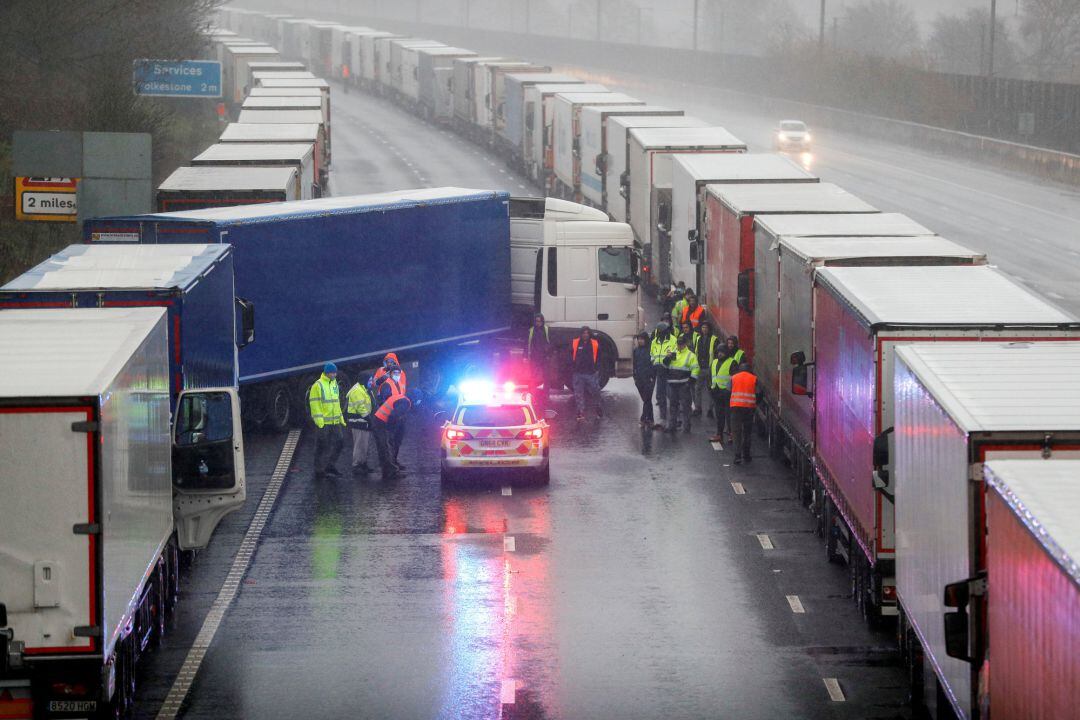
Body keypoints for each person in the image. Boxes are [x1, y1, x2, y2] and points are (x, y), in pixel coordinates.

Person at [372, 364, 411, 479]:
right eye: (395, 373)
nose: (397, 376)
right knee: (387, 445)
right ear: (390, 373)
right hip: (386, 419)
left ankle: (392, 466)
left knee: (392, 443)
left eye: (399, 373)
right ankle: (390, 470)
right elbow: (387, 405)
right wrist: (390, 428)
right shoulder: (387, 385)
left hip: (392, 417)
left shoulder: (398, 384)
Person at [309, 362, 345, 479]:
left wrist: (340, 417)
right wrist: (319, 420)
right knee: (322, 445)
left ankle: (330, 465)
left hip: (334, 421)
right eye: (332, 373)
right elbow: (314, 404)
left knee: (340, 441)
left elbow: (336, 403)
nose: (334, 375)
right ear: (327, 373)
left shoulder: (334, 384)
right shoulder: (317, 386)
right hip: (324, 422)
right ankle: (319, 470)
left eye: (335, 372)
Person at [663, 333, 700, 434]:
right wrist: (667, 358)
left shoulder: (690, 355)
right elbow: (665, 366)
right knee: (673, 406)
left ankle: (686, 427)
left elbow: (695, 368)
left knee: (685, 407)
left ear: (685, 344)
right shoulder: (673, 354)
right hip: (673, 384)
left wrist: (691, 381)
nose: (679, 346)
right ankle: (672, 426)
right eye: (678, 344)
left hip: (684, 385)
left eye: (681, 344)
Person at [345, 374, 375, 476]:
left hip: (363, 421)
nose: (371, 382)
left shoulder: (364, 389)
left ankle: (363, 464)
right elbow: (360, 407)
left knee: (364, 444)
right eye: (370, 380)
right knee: (359, 444)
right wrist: (368, 419)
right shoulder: (357, 390)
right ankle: (356, 465)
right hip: (358, 422)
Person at [571, 326, 602, 421]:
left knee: (595, 392)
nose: (585, 335)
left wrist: (596, 368)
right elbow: (569, 355)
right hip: (578, 373)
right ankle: (580, 412)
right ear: (581, 334)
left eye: (587, 333)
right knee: (578, 394)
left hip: (591, 373)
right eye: (583, 333)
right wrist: (572, 367)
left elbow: (599, 357)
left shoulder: (594, 343)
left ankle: (598, 409)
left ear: (589, 334)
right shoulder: (575, 342)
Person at [650, 321, 676, 429]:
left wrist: (669, 358)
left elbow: (676, 354)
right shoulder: (654, 342)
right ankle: (663, 418)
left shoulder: (673, 340)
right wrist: (654, 364)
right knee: (660, 396)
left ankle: (674, 420)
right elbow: (652, 355)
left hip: (670, 372)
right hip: (659, 372)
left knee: (672, 396)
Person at [730, 362, 757, 464]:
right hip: (749, 409)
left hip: (736, 408)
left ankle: (737, 455)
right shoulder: (754, 378)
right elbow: (758, 393)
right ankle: (746, 455)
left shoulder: (734, 378)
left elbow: (729, 390)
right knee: (747, 433)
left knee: (736, 433)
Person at [709, 345, 736, 443]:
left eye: (722, 352)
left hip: (727, 393)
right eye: (718, 352)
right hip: (716, 393)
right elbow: (710, 376)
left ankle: (731, 434)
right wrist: (710, 388)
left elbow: (734, 379)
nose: (720, 353)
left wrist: (729, 390)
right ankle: (719, 434)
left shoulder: (732, 362)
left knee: (729, 415)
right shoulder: (714, 362)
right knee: (719, 415)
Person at [525, 313, 551, 408]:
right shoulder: (531, 331)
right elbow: (527, 343)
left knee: (546, 377)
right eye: (536, 321)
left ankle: (546, 395)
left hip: (544, 357)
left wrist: (549, 354)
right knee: (533, 378)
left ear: (542, 321)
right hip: (534, 358)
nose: (538, 323)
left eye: (539, 321)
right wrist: (525, 356)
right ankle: (532, 395)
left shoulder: (547, 330)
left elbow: (550, 343)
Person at [632, 331, 655, 427]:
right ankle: (650, 419)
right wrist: (635, 377)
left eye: (642, 339)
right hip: (639, 380)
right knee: (647, 400)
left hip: (649, 379)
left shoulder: (651, 350)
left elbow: (653, 364)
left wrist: (652, 377)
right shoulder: (636, 351)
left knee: (646, 398)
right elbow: (635, 365)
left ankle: (643, 418)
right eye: (639, 339)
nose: (640, 341)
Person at [696, 321, 718, 418]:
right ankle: (698, 408)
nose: (704, 329)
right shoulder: (698, 339)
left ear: (709, 329)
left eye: (706, 327)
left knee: (710, 390)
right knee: (697, 389)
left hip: (709, 368)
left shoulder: (714, 340)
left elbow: (716, 354)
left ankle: (710, 409)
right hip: (700, 367)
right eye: (703, 327)